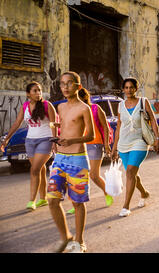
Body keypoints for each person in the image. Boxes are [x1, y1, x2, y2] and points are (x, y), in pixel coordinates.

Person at [47, 71, 94, 253]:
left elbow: (91, 135)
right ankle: (66, 236)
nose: (65, 87)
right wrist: (58, 130)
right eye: (62, 84)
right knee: (52, 200)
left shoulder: (85, 108)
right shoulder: (60, 108)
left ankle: (80, 241)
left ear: (78, 86)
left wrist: (72, 141)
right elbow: (68, 125)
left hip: (77, 160)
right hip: (59, 159)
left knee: (77, 203)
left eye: (69, 83)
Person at [1, 82, 57, 211]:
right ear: (28, 94)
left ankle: (32, 200)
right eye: (35, 91)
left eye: (39, 90)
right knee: (40, 169)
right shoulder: (25, 106)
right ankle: (43, 199)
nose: (38, 93)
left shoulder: (47, 105)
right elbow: (17, 123)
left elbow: (54, 124)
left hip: (45, 140)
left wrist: (54, 142)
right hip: (30, 142)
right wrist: (6, 139)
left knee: (34, 169)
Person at [111, 77, 159, 217]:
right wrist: (114, 148)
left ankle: (126, 206)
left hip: (140, 141)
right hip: (123, 143)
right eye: (126, 88)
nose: (129, 90)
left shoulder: (143, 101)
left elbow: (152, 119)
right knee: (131, 173)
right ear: (123, 90)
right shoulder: (121, 105)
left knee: (130, 172)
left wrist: (158, 139)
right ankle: (144, 193)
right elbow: (119, 126)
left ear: (136, 88)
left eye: (131, 87)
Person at [65, 88, 113, 215]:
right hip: (79, 145)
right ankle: (77, 204)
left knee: (94, 175)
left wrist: (106, 144)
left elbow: (105, 127)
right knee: (77, 176)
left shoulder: (96, 109)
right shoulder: (73, 111)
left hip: (95, 145)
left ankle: (107, 193)